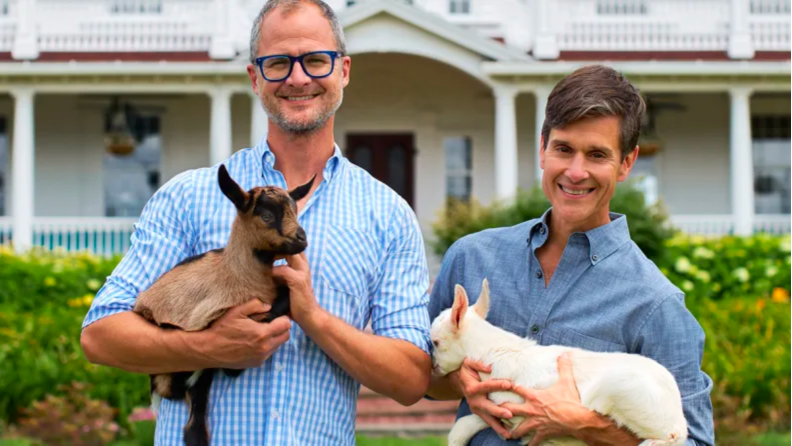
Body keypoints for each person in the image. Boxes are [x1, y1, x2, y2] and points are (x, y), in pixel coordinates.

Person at [80, 1, 432, 444]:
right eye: (278, 63)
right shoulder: (187, 196)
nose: (298, 78)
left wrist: (314, 317)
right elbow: (100, 335)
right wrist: (207, 346)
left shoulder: (388, 215)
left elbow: (411, 378)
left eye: (316, 61)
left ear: (343, 70)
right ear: (255, 78)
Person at [426, 65, 714, 446]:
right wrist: (460, 380)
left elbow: (693, 441)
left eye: (597, 154)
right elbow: (422, 377)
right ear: (543, 148)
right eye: (563, 149)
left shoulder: (655, 304)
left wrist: (586, 425)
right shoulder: (471, 257)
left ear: (627, 163)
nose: (576, 172)